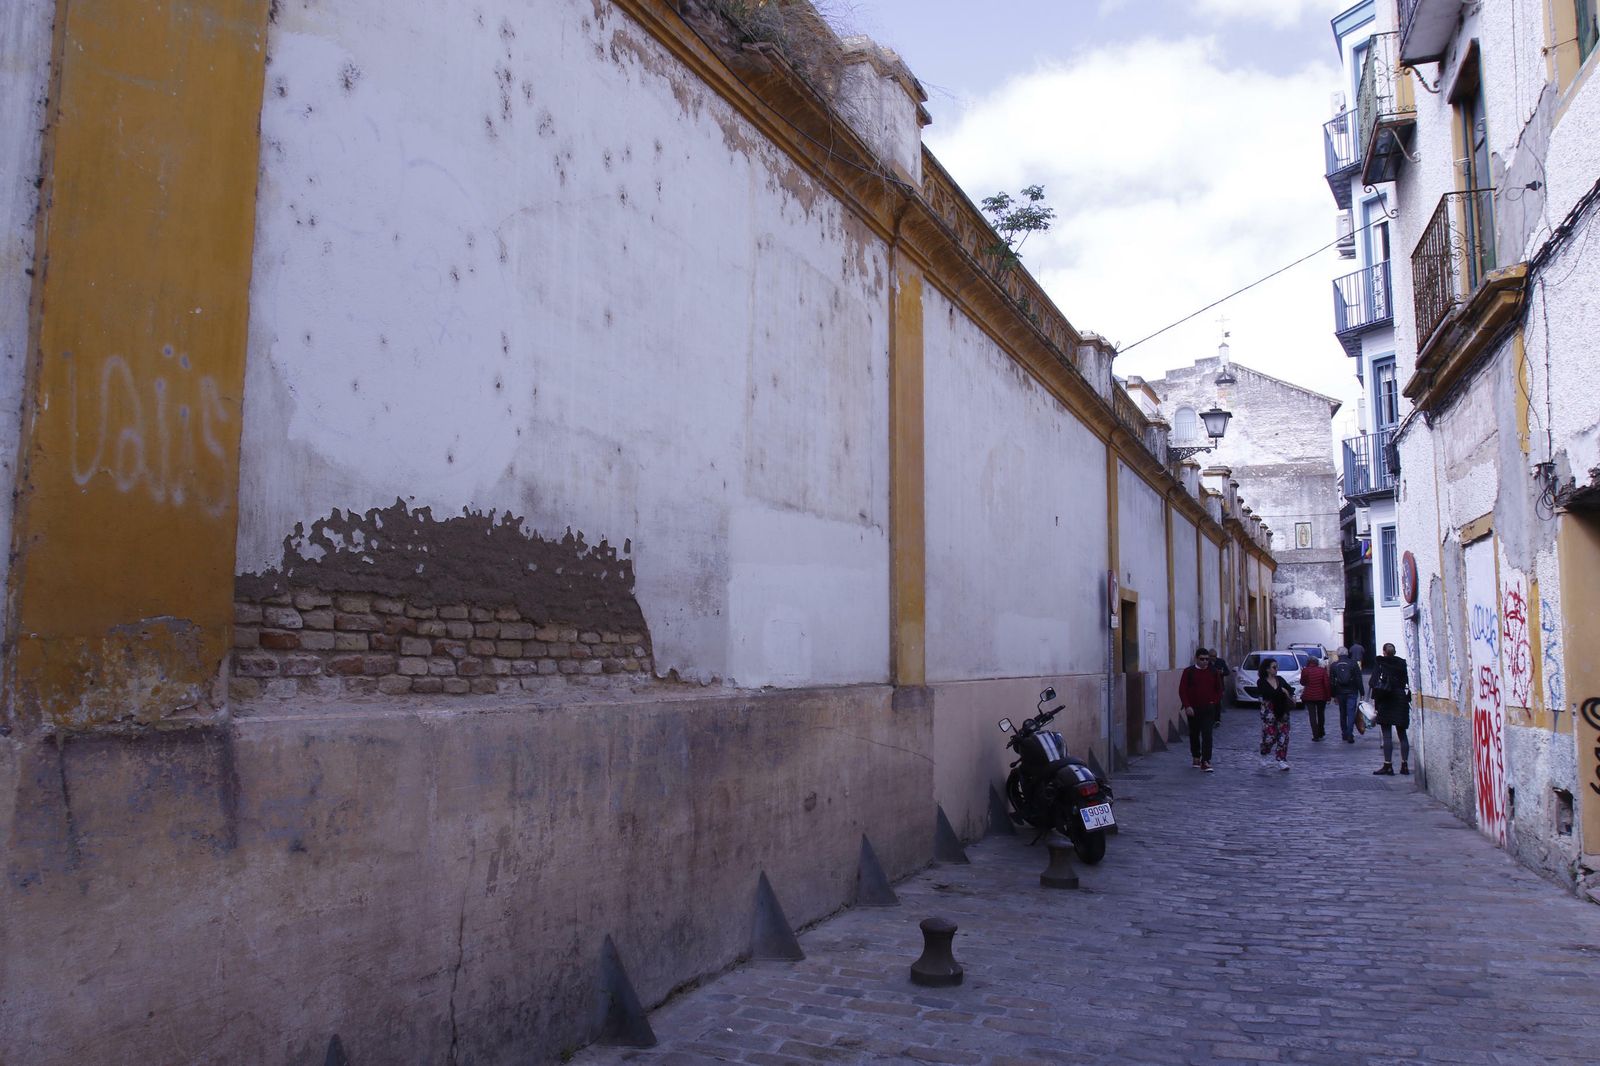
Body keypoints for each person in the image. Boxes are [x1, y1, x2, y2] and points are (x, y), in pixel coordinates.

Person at [1179, 647, 1224, 772]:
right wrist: (1187, 706)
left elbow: (1219, 690)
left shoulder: (1213, 672)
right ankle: (1196, 756)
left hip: (1208, 708)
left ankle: (1206, 760)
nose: (1205, 662)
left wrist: (1213, 702)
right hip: (1193, 709)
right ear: (1196, 659)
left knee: (1207, 734)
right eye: (1202, 659)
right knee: (1194, 734)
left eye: (1207, 659)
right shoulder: (1189, 672)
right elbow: (1182, 690)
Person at [1371, 643, 1412, 775]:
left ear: (1384, 652)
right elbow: (1407, 681)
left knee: (1387, 735)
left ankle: (1388, 765)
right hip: (1400, 699)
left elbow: (1373, 682)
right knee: (1402, 734)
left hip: (1385, 699)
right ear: (1394, 652)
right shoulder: (1402, 664)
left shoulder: (1381, 663)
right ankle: (1404, 765)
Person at [1256, 657, 1295, 771]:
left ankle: (1281, 760)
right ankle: (1264, 754)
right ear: (1267, 669)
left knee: (1283, 736)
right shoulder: (1262, 681)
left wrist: (1289, 694)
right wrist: (1282, 691)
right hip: (1269, 712)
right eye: (1274, 667)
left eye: (1277, 667)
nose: (1276, 669)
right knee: (1269, 737)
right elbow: (1267, 694)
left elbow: (1290, 689)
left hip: (1282, 711)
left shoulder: (1280, 679)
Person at [1330, 645, 1364, 743]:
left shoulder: (1334, 665)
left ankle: (1344, 733)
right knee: (1351, 713)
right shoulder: (1353, 664)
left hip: (1340, 692)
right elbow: (1358, 679)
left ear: (1337, 654)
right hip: (1352, 691)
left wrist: (1333, 695)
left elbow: (1332, 682)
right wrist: (1362, 691)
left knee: (1343, 713)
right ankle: (1350, 733)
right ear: (1347, 653)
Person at [1300, 654, 1332, 741]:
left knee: (1312, 716)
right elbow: (1326, 684)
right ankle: (1321, 731)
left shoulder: (1305, 670)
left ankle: (1315, 735)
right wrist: (1328, 697)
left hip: (1309, 696)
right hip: (1321, 696)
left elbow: (1302, 682)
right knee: (1321, 714)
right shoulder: (1322, 671)